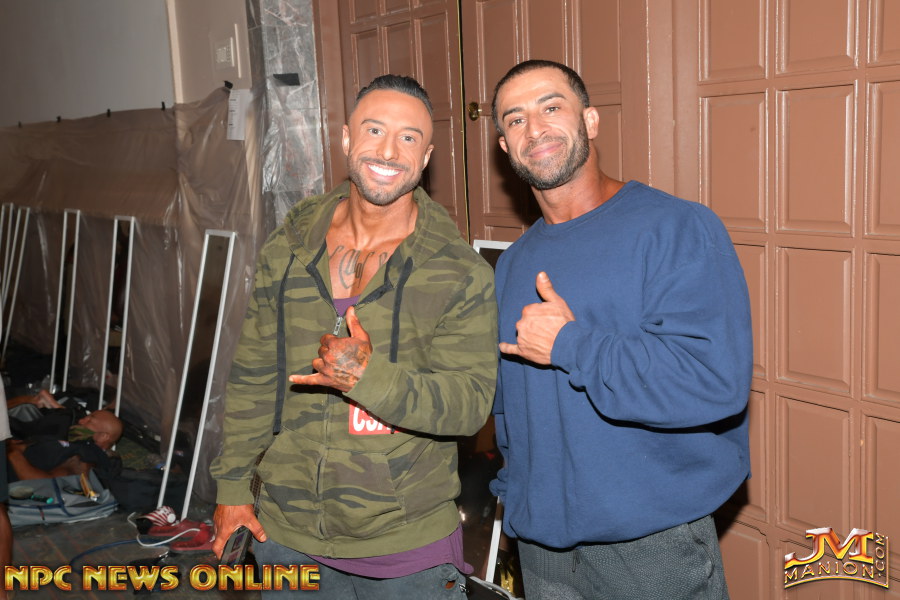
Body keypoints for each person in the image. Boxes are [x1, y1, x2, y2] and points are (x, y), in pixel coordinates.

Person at [210, 74, 498, 599]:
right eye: (374, 130)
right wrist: (232, 486)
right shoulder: (288, 248)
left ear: (426, 156)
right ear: (346, 138)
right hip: (286, 531)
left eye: (409, 137)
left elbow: (469, 405)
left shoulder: (458, 271)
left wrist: (370, 377)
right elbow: (253, 375)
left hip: (405, 539)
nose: (388, 151)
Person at [488, 59, 753, 599]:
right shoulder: (513, 263)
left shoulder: (675, 227)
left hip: (649, 545)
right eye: (515, 119)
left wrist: (571, 344)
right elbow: (511, 407)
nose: (534, 128)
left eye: (551, 107)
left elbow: (712, 382)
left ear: (590, 121)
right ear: (504, 146)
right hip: (542, 545)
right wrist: (516, 492)